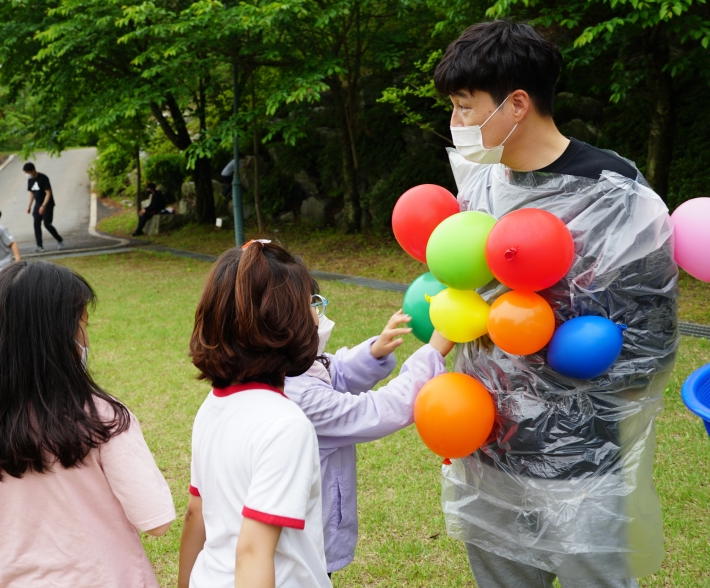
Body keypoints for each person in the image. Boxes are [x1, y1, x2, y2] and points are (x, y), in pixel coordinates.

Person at [432, 20, 678, 588]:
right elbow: (459, 296)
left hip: (580, 465)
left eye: (466, 107)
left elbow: (648, 348)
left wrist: (544, 344)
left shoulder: (616, 198)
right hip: (486, 450)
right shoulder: (483, 189)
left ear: (516, 104)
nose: (458, 123)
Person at [0, 261, 175, 587]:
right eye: (83, 325)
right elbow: (157, 521)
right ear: (60, 337)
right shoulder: (105, 419)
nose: (86, 339)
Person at [179, 240, 332, 588]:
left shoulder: (213, 406)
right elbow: (253, 551)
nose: (317, 315)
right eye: (311, 304)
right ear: (284, 323)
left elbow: (195, 514)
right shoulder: (286, 426)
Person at [284, 283, 454, 574]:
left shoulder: (283, 370)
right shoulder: (301, 399)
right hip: (303, 543)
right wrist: (433, 353)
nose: (318, 311)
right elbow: (376, 411)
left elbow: (329, 371)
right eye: (312, 304)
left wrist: (373, 352)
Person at [23, 162, 64, 252]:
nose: (26, 175)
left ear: (33, 171)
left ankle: (59, 240)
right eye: (25, 173)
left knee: (47, 224)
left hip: (48, 204)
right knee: (36, 223)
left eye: (28, 172)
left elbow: (48, 193)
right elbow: (31, 192)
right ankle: (39, 246)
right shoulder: (30, 180)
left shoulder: (43, 178)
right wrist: (29, 205)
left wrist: (44, 206)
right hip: (37, 204)